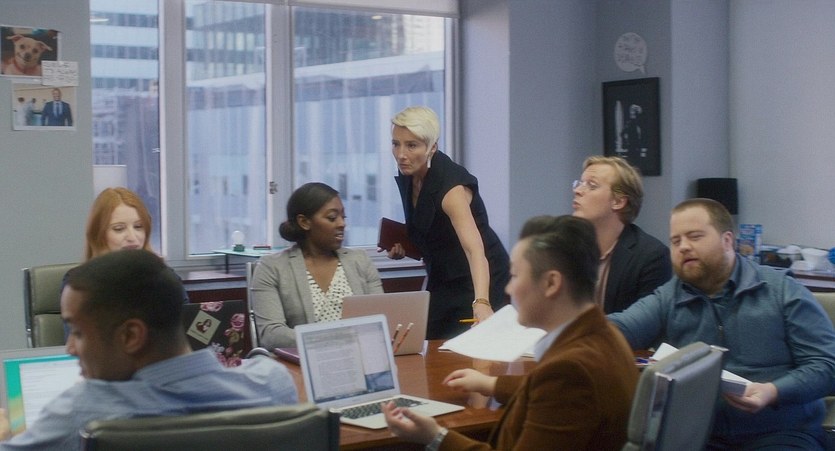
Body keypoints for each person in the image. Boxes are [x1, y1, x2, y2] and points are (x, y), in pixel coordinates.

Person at [0, 249, 298, 450]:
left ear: (131, 336)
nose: (70, 348)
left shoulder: (83, 412)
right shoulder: (272, 385)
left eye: (77, 333)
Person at [383, 215, 638, 450]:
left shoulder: (569, 370)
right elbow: (546, 388)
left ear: (551, 283)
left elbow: (560, 384)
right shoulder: (603, 335)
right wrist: (491, 384)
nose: (508, 288)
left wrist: (436, 436)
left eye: (515, 275)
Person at [609, 198, 835, 450]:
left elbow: (827, 366)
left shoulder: (781, 290)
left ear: (727, 240)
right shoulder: (669, 297)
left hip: (781, 431)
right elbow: (616, 331)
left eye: (694, 236)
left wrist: (773, 391)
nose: (683, 247)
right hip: (702, 435)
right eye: (675, 241)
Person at [387, 105, 510, 339]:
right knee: (429, 336)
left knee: (465, 341)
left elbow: (475, 251)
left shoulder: (451, 189)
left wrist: (482, 302)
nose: (401, 154)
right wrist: (406, 248)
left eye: (411, 145)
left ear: (432, 147)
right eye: (396, 144)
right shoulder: (410, 173)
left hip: (479, 275)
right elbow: (432, 228)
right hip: (443, 274)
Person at [251, 182, 383, 348]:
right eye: (332, 218)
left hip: (361, 356)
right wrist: (335, 339)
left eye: (343, 217)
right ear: (304, 222)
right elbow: (271, 335)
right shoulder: (272, 267)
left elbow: (381, 319)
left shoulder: (360, 261)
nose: (342, 224)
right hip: (301, 361)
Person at [571, 155, 671, 313]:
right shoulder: (567, 248)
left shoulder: (651, 256)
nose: (577, 191)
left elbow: (646, 323)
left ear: (618, 202)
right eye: (580, 183)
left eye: (591, 185)